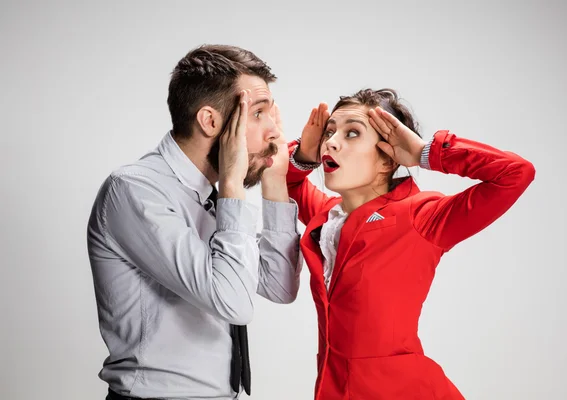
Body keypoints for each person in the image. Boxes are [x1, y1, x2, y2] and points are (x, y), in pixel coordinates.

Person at [286, 88, 536, 399]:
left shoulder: (422, 216)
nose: (331, 142)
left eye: (352, 133)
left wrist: (424, 153)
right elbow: (287, 179)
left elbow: (515, 174)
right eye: (330, 132)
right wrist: (304, 154)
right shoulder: (327, 215)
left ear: (388, 158)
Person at [87, 44, 301, 400]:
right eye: (259, 113)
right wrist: (232, 185)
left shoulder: (209, 194)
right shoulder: (136, 191)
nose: (275, 132)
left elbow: (279, 286)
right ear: (211, 121)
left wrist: (275, 182)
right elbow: (234, 303)